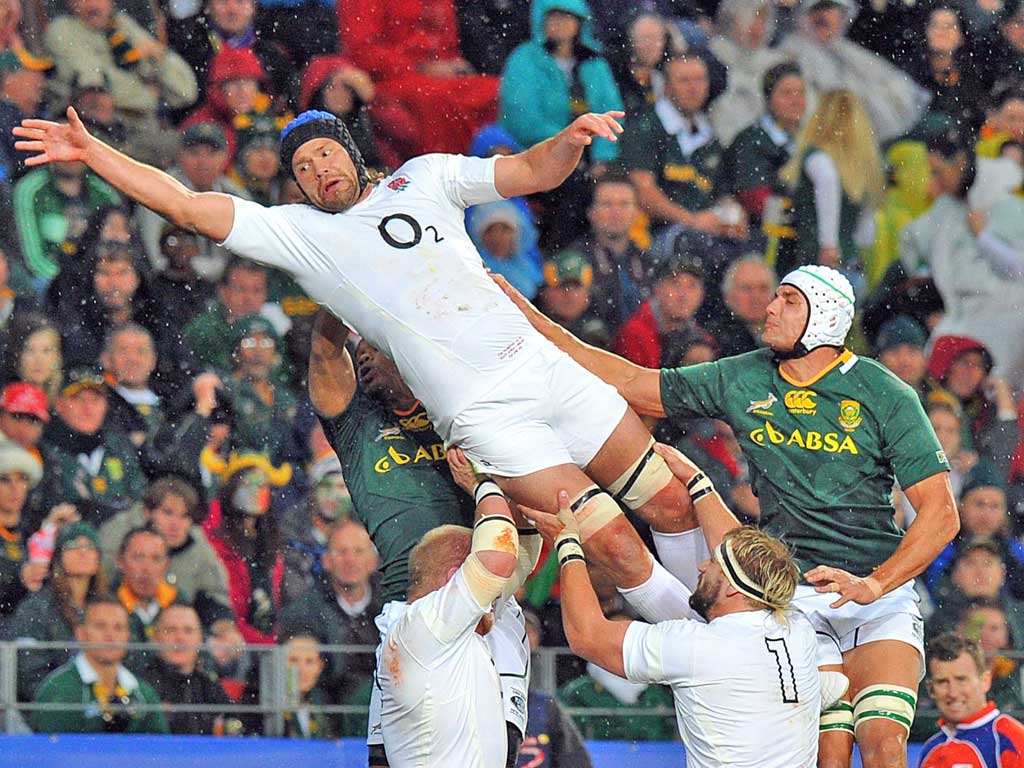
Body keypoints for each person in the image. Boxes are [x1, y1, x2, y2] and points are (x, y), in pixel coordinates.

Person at [16, 105, 705, 642]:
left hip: (544, 369)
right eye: (304, 168)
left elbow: (529, 170)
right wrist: (93, 153)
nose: (318, 172)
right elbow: (185, 206)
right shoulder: (300, 235)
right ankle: (717, 648)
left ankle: (733, 625)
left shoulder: (426, 176)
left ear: (350, 151)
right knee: (610, 536)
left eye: (324, 154)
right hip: (486, 416)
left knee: (670, 500)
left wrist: (573, 140)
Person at [497, 263, 959, 768]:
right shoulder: (745, 374)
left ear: (825, 316)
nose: (770, 307)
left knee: (883, 746)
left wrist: (874, 584)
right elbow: (633, 381)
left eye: (787, 300)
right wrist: (530, 320)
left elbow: (941, 515)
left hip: (876, 596)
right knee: (829, 752)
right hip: (791, 606)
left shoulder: (884, 392)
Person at [539, 484, 820, 766]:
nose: (701, 567)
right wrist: (700, 485)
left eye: (712, 564)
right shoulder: (799, 629)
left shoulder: (697, 646)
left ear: (734, 589)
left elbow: (587, 636)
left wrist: (568, 546)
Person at [376, 484, 527, 768]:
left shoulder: (439, 630)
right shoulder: (423, 627)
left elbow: (513, 565)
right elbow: (498, 557)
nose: (496, 595)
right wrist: (481, 483)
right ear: (455, 577)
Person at [773, 90, 885, 277]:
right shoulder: (864, 167)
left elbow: (827, 184)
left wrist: (829, 245)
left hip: (818, 264)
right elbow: (866, 234)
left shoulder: (816, 157)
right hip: (852, 266)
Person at [31, 596, 169, 734]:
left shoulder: (143, 693)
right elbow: (51, 750)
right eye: (100, 626)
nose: (110, 635)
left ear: (128, 636)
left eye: (118, 627)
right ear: (81, 634)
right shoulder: (58, 690)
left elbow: (162, 749)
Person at [278, 519, 382, 702]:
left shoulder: (391, 606)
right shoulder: (304, 609)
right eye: (341, 552)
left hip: (382, 701)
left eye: (358, 551)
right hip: (326, 705)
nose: (350, 560)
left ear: (373, 561)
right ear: (326, 561)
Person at [6, 521, 108, 702]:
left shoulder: (109, 607)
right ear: (58, 557)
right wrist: (65, 699)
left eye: (90, 546)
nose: (82, 552)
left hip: (106, 703)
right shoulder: (36, 608)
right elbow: (28, 671)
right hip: (54, 707)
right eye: (73, 545)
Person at [34, 367, 146, 529]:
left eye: (95, 400)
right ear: (59, 404)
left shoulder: (119, 446)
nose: (88, 409)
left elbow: (140, 499)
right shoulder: (44, 448)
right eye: (78, 399)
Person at [917, 633, 1024, 767]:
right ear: (930, 689)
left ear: (985, 680)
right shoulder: (930, 749)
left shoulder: (1011, 739)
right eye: (942, 682)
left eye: (961, 679)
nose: (953, 693)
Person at [142, 603, 237, 735]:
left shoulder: (209, 686)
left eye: (188, 630)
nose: (180, 638)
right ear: (156, 638)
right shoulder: (141, 688)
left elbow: (236, 727)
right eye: (170, 630)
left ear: (199, 639)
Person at [0, 440, 43, 628]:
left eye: (22, 479)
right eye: (5, 480)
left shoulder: (32, 532)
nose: (15, 488)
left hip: (32, 630)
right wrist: (19, 583)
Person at [702, 255, 775, 358]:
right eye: (747, 288)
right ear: (728, 295)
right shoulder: (712, 340)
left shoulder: (782, 337)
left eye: (763, 288)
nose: (756, 297)